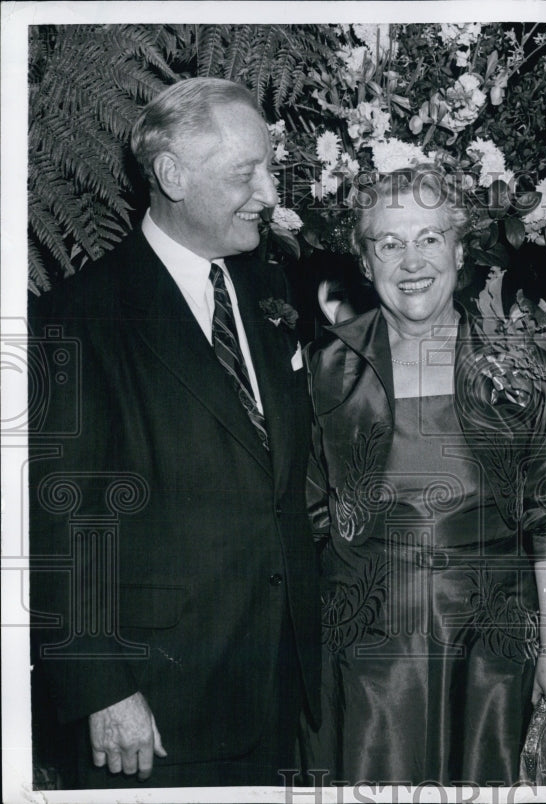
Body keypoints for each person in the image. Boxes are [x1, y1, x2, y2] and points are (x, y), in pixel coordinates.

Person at [30, 77, 319, 787]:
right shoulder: (80, 319)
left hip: (279, 687)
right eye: (246, 172)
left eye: (270, 168)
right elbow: (61, 520)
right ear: (172, 175)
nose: (270, 192)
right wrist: (101, 687)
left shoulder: (271, 292)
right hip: (156, 712)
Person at [302, 166, 546, 784]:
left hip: (490, 655)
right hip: (364, 657)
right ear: (365, 258)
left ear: (460, 250)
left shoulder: (516, 362)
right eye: (390, 243)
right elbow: (303, 521)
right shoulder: (327, 366)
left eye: (429, 239)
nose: (411, 262)